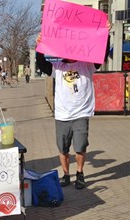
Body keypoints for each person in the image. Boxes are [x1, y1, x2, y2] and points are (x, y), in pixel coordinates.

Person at [35, 24, 110, 190]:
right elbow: (41, 64)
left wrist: (106, 34)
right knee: (63, 147)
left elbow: (102, 54)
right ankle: (66, 174)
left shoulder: (88, 64)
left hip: (81, 113)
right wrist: (39, 46)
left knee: (81, 146)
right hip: (62, 114)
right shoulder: (57, 66)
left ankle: (80, 174)